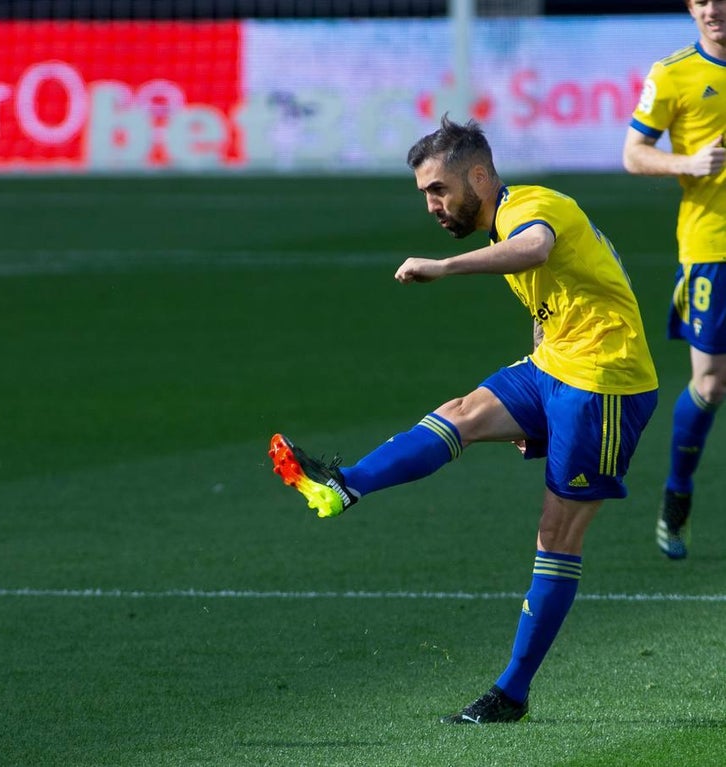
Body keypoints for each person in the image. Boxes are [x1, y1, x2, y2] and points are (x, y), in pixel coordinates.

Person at [270, 116, 659, 724]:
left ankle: (512, 691)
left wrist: (443, 268)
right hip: (554, 366)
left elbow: (535, 249)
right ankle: (347, 485)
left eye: (438, 189)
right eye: (426, 193)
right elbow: (549, 299)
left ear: (478, 175)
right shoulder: (502, 219)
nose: (432, 204)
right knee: (463, 413)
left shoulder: (532, 205)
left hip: (605, 385)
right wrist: (536, 409)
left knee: (557, 536)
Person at [623, 0, 726, 560]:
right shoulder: (673, 73)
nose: (714, 9)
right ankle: (677, 492)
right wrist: (686, 164)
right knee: (711, 384)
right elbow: (634, 154)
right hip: (713, 247)